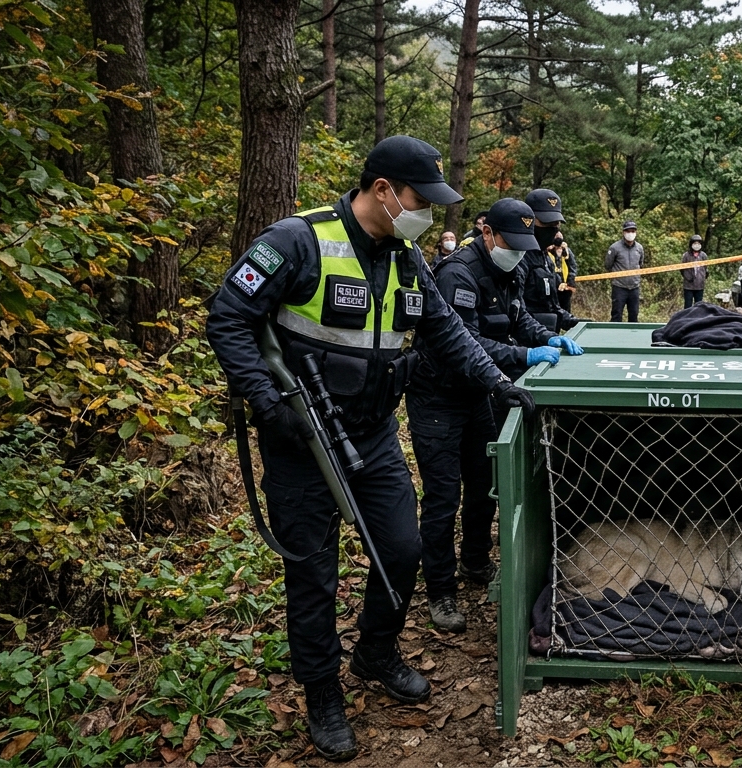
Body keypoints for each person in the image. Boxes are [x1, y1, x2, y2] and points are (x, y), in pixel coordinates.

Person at [206, 135, 534, 762]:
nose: (427, 214)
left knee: (403, 547)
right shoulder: (297, 240)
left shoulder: (405, 255)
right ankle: (322, 690)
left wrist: (499, 382)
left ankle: (376, 651)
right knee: (312, 573)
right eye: (419, 199)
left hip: (375, 433)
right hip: (301, 437)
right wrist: (267, 402)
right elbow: (228, 317)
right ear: (382, 190)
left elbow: (446, 331)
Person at [407, 197, 584, 634]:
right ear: (487, 232)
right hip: (439, 397)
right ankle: (440, 590)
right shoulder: (457, 274)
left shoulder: (515, 264)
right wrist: (523, 355)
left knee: (485, 483)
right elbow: (461, 344)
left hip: (480, 392)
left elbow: (518, 318)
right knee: (444, 495)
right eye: (512, 241)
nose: (520, 250)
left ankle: (474, 560)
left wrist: (549, 339)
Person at [521, 189, 581, 334]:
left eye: (556, 224)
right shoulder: (517, 257)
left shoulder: (545, 257)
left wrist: (574, 322)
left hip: (545, 337)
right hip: (524, 342)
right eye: (547, 223)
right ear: (528, 220)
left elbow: (551, 305)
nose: (552, 230)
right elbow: (517, 313)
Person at [605, 220, 643, 322]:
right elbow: (608, 265)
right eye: (628, 231)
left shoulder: (639, 248)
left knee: (634, 315)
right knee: (616, 315)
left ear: (636, 232)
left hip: (634, 287)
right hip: (619, 287)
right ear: (623, 232)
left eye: (633, 231)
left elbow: (641, 264)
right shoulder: (614, 248)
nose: (630, 233)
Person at [551, 234, 577, 313]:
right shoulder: (548, 251)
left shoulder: (567, 251)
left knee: (566, 311)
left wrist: (569, 283)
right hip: (553, 287)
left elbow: (573, 267)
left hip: (565, 287)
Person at [681, 234, 708, 308]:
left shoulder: (703, 255)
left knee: (699, 306)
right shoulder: (686, 255)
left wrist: (702, 278)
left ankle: (697, 319)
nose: (697, 245)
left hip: (700, 286)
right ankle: (687, 319)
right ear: (691, 244)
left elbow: (706, 268)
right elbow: (682, 269)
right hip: (688, 286)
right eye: (695, 243)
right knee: (687, 306)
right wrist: (688, 277)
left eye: (698, 243)